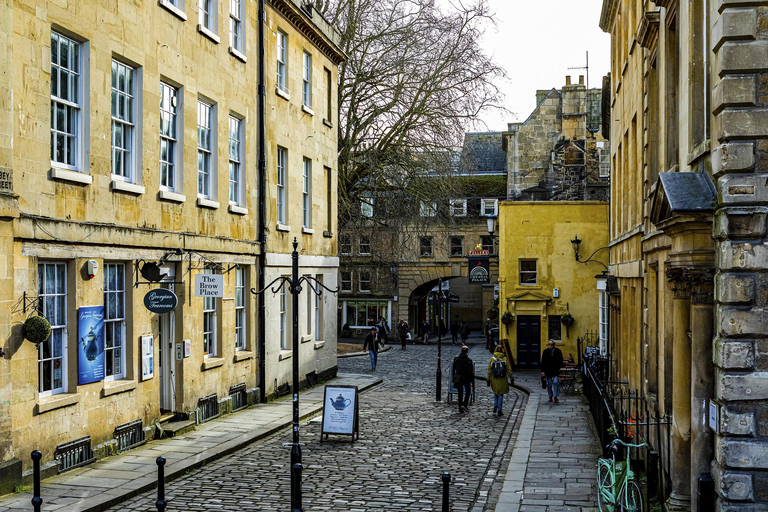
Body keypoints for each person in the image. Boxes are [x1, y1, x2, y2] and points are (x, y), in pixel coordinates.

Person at [487, 344, 513, 417]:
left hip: (494, 378)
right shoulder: (504, 359)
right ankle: (499, 410)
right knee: (501, 394)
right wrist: (511, 378)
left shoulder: (492, 359)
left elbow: (489, 370)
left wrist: (488, 379)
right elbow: (508, 370)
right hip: (502, 378)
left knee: (496, 392)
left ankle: (495, 406)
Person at [452, 345, 474, 413]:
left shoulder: (456, 359)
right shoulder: (469, 361)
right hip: (466, 378)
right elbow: (471, 372)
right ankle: (464, 404)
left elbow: (453, 369)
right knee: (468, 391)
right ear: (467, 352)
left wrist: (454, 377)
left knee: (460, 392)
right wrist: (472, 380)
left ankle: (460, 406)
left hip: (458, 377)